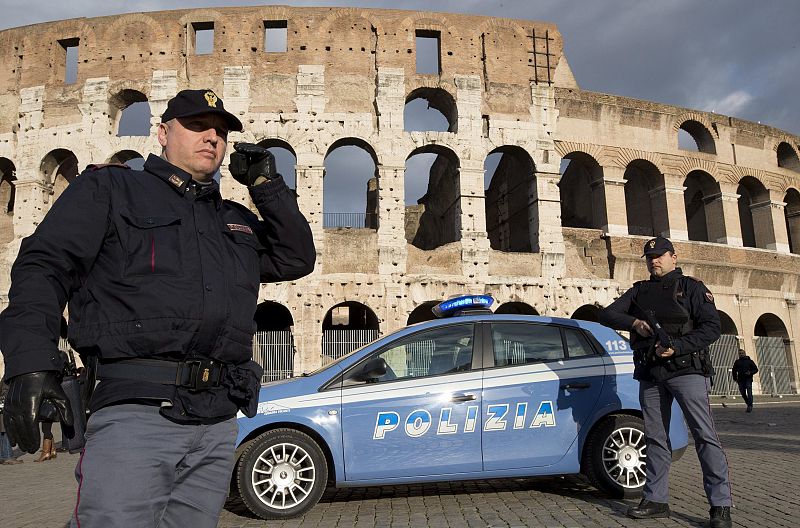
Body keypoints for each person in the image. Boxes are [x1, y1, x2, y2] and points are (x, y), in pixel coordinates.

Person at [0, 89, 316, 527]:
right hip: (137, 408)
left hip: (218, 417)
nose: (212, 137)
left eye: (221, 132)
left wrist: (267, 186)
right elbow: (43, 268)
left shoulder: (231, 219)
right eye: (198, 126)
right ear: (163, 133)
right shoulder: (111, 189)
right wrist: (30, 363)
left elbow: (296, 257)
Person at [599, 236, 732, 528]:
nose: (654, 260)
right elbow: (607, 313)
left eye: (659, 255)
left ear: (674, 256)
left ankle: (720, 506)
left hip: (687, 372)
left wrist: (678, 347)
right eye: (649, 257)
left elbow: (712, 328)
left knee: (704, 436)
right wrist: (635, 324)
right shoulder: (639, 292)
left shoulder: (691, 288)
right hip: (651, 374)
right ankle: (656, 500)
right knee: (656, 439)